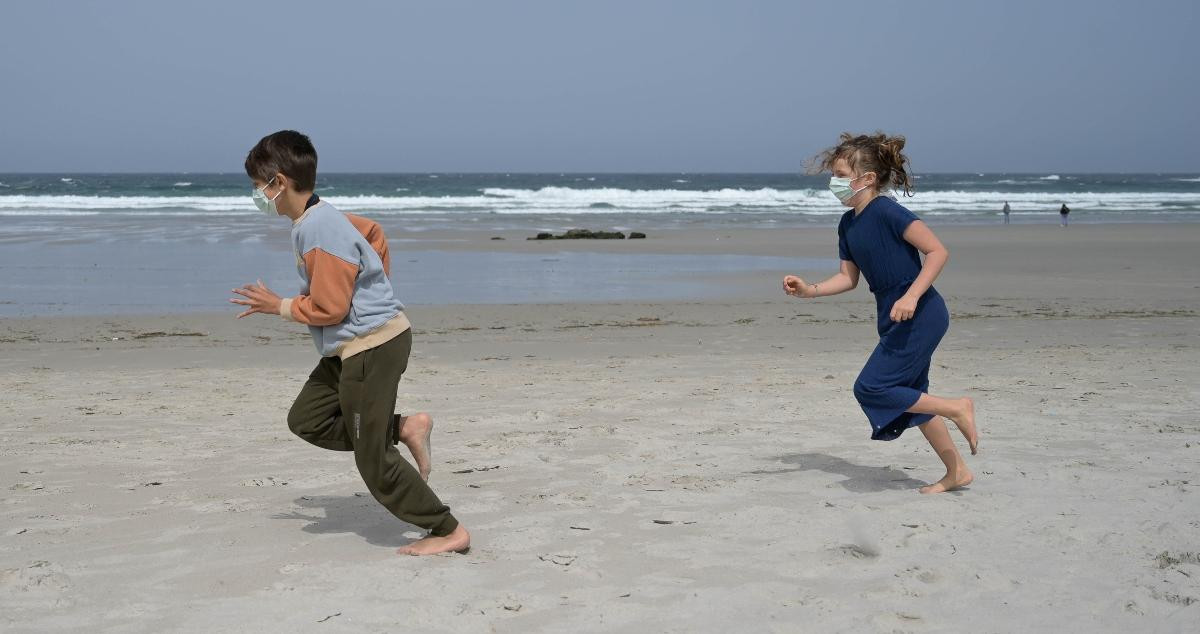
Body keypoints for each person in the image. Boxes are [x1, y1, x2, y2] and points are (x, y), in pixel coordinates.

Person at [230, 130, 470, 555]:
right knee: (307, 419)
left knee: (372, 458)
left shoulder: (318, 229)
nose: (256, 196)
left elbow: (331, 309)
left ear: (278, 183)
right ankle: (404, 427)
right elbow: (373, 233)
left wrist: (280, 305)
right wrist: (375, 292)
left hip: (371, 348)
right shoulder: (318, 215)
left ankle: (447, 529)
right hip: (353, 344)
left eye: (257, 186)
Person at [782, 132, 978, 494]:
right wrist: (810, 291)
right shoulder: (847, 224)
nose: (834, 183)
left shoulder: (887, 210)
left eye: (841, 175)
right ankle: (957, 471)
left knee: (871, 387)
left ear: (867, 179)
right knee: (912, 394)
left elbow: (937, 252)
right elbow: (847, 278)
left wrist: (911, 297)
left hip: (921, 313)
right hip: (892, 317)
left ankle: (957, 407)